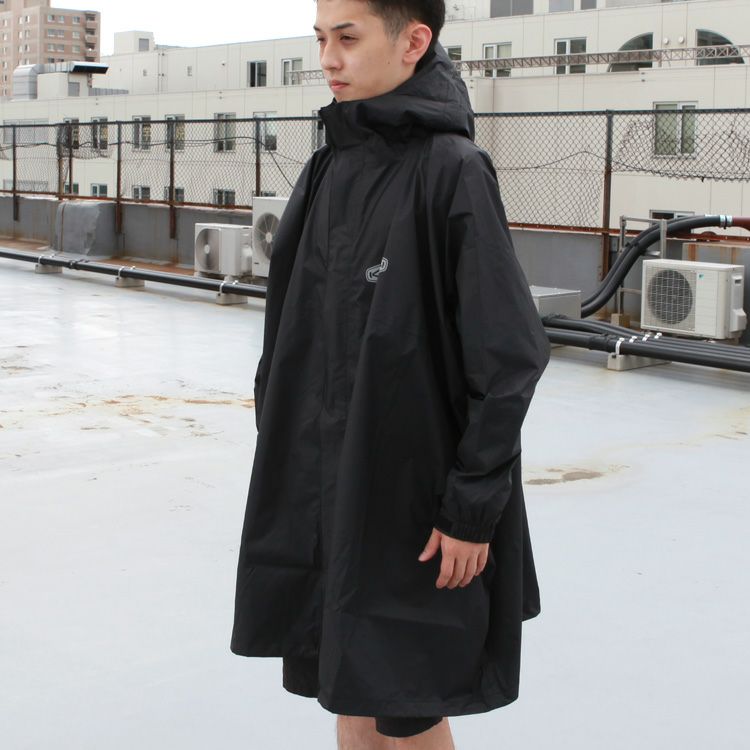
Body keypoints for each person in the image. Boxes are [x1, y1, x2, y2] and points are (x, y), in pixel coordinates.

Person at [231, 1, 550, 747]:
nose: (328, 58)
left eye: (348, 37)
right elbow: (289, 334)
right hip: (328, 485)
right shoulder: (329, 166)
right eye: (321, 39)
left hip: (417, 497)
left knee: (409, 701)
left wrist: (471, 507)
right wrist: (286, 451)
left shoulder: (453, 171)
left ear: (414, 41)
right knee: (349, 679)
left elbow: (508, 356)